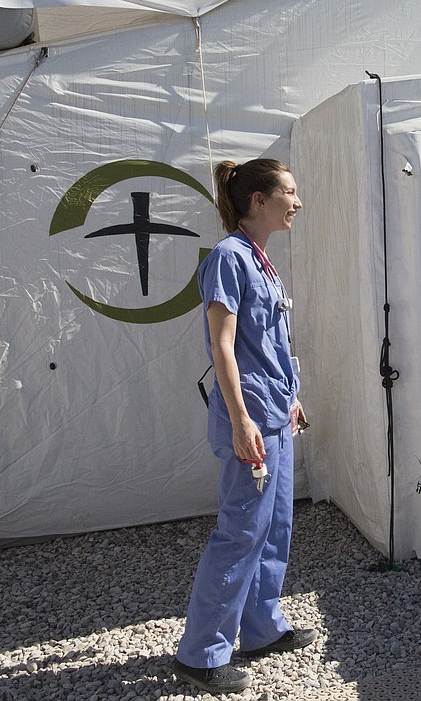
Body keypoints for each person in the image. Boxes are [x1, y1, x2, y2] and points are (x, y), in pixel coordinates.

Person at [173, 158, 317, 695]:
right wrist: (240, 419)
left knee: (274, 528)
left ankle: (261, 628)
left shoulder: (260, 260)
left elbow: (269, 345)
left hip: (274, 414)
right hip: (250, 420)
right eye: (290, 192)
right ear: (259, 199)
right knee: (240, 533)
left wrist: (292, 397)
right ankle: (201, 654)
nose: (297, 202)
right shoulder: (228, 258)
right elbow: (224, 347)